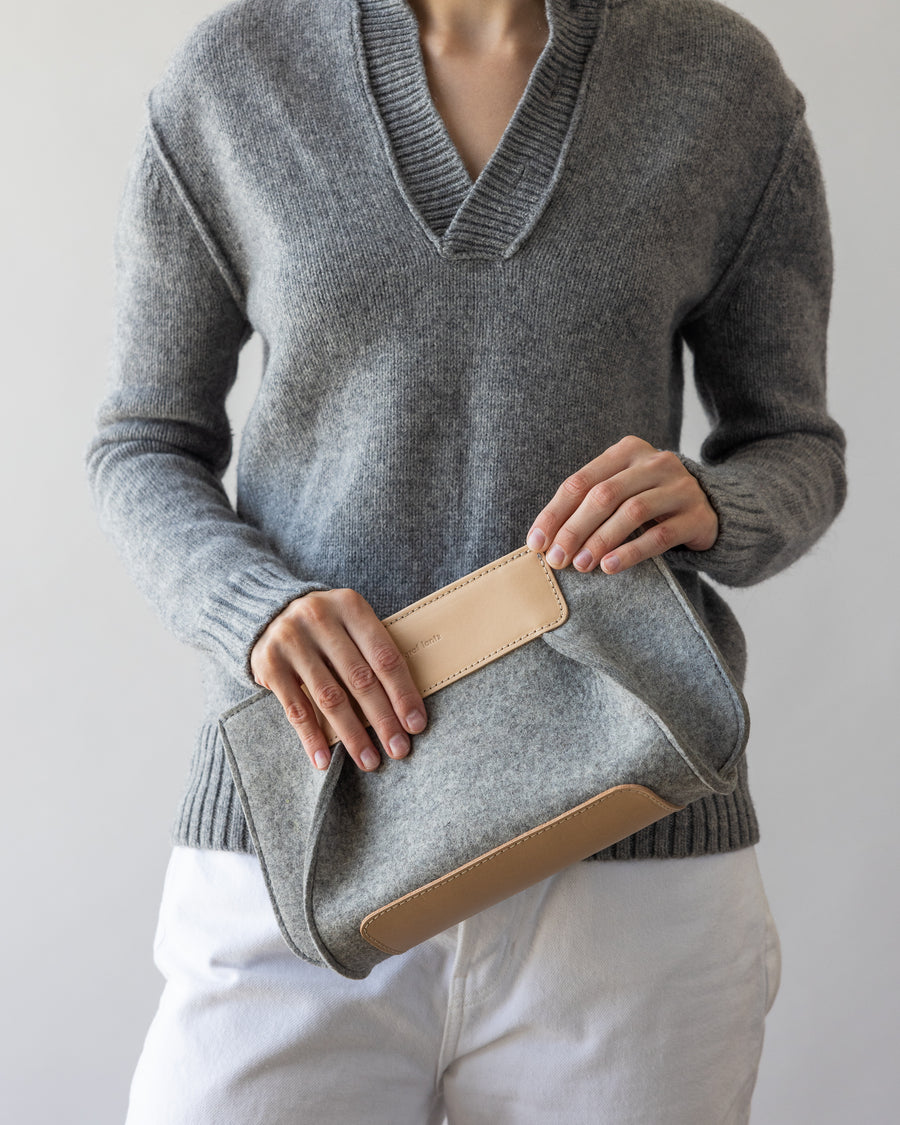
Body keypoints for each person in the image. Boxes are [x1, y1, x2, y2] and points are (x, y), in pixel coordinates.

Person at [86, 0, 846, 1120]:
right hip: (308, 837)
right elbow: (142, 440)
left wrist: (713, 503)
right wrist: (252, 610)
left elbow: (797, 446)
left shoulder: (719, 82)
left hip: (630, 862)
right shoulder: (239, 72)